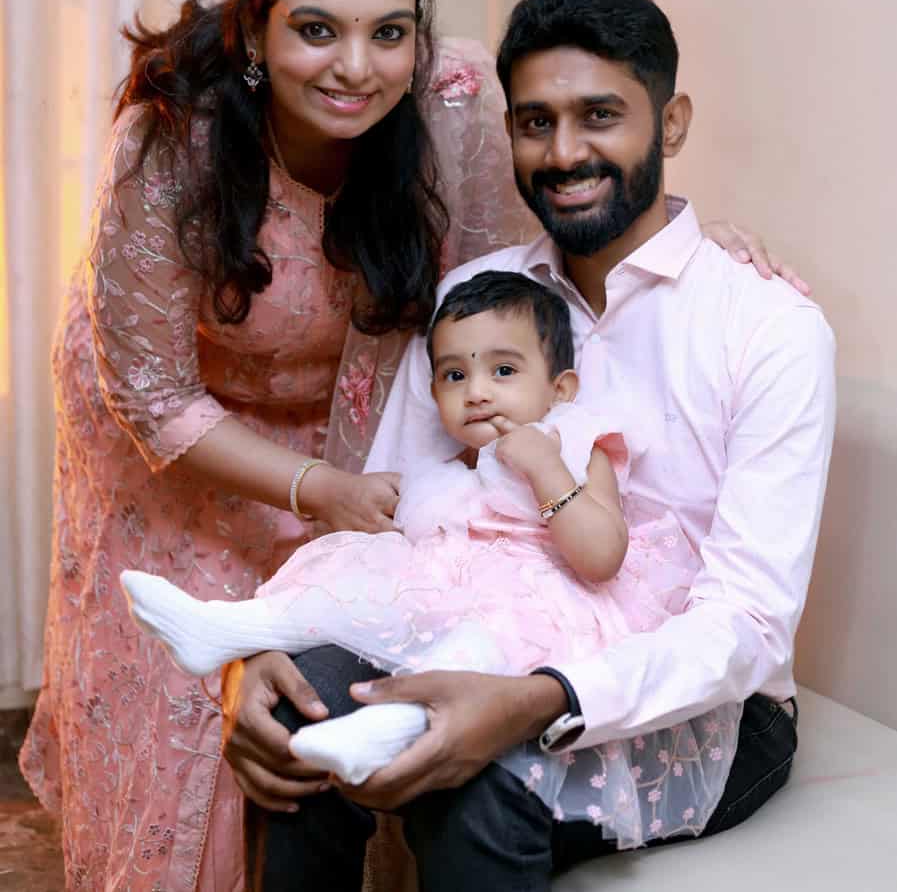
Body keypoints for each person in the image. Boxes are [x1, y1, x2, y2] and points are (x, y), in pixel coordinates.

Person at [18, 0, 796, 892]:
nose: (357, 67)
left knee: (349, 713)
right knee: (194, 731)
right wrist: (316, 529)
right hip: (178, 429)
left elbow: (505, 291)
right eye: (316, 31)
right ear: (256, 30)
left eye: (390, 32)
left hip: (357, 432)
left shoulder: (456, 108)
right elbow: (155, 394)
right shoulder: (174, 145)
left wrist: (698, 242)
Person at [225, 0, 836, 892]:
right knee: (300, 708)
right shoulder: (479, 292)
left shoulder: (766, 326)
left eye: (599, 117)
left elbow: (745, 623)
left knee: (478, 790)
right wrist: (281, 641)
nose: (563, 152)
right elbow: (394, 514)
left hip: (704, 701)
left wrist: (537, 701)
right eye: (535, 122)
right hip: (473, 628)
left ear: (670, 126)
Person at [121, 269, 739, 851]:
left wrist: (546, 470)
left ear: (560, 389)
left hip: (545, 613)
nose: (476, 393)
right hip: (452, 595)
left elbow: (601, 556)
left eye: (502, 370)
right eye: (453, 376)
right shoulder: (451, 472)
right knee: (357, 578)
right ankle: (233, 629)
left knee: (473, 645)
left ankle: (382, 730)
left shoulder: (573, 443)